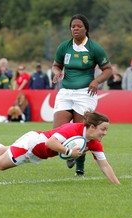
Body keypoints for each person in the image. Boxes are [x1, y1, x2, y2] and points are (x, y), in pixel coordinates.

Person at [0, 111, 120, 185]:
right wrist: (69, 152)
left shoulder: (94, 143)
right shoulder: (72, 129)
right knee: (1, 164)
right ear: (91, 126)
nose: (105, 133)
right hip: (33, 145)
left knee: (2, 151)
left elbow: (104, 165)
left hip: (35, 146)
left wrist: (117, 185)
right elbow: (50, 143)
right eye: (103, 129)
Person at [51, 14, 112, 176]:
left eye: (79, 26)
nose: (75, 29)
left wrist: (96, 81)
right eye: (73, 27)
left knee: (82, 131)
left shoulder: (94, 48)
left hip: (85, 93)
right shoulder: (64, 47)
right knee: (57, 130)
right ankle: (70, 152)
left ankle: (79, 166)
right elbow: (56, 65)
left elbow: (108, 69)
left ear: (86, 29)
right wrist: (57, 72)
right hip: (65, 92)